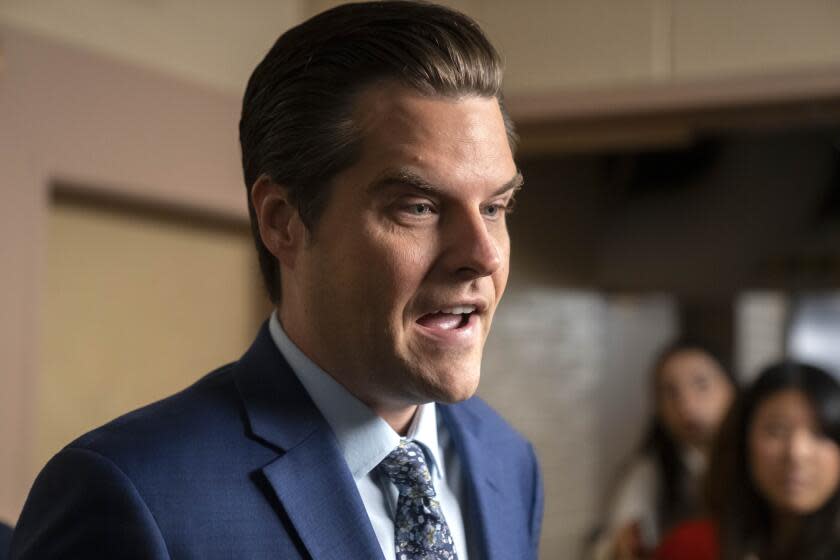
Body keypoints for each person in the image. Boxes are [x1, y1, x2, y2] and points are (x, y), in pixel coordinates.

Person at [10, 2, 543, 558]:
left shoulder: (509, 464)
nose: (483, 256)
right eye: (418, 207)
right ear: (282, 221)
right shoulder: (130, 495)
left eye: (495, 207)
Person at [655, 360, 840, 560]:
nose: (796, 452)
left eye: (820, 433)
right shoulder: (692, 548)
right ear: (742, 441)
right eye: (776, 430)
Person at [591, 339, 735, 559]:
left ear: (731, 388)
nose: (686, 404)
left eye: (701, 385)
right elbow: (612, 542)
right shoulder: (649, 471)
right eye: (671, 392)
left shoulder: (756, 463)